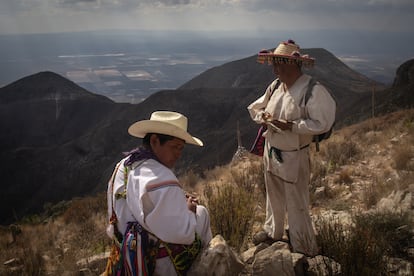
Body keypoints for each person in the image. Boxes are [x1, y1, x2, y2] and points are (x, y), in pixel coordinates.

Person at [247, 40, 336, 256]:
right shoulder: (276, 86)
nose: (276, 69)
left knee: (297, 201)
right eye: (275, 64)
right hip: (272, 149)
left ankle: (303, 245)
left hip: (294, 154)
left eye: (281, 64)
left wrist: (292, 126)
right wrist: (263, 117)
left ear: (295, 64)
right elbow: (257, 107)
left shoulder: (313, 90)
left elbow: (323, 122)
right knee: (274, 194)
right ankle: (273, 232)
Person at [105, 111, 212, 276]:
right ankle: (205, 267)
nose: (178, 154)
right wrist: (189, 209)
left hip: (125, 256)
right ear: (154, 141)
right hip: (155, 263)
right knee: (202, 213)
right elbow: (183, 234)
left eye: (181, 148)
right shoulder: (162, 177)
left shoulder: (124, 165)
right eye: (174, 147)